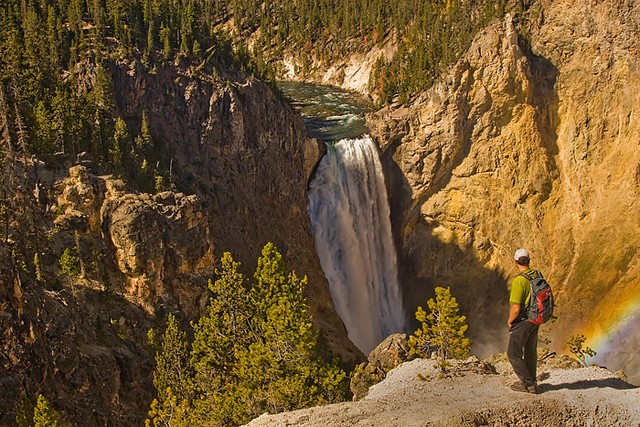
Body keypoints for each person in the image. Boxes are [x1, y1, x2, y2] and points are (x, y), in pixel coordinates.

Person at [507, 248, 540, 393]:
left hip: (524, 320)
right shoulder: (536, 274)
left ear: (515, 262)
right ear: (528, 260)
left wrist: (510, 321)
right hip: (536, 318)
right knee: (530, 350)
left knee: (513, 352)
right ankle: (532, 380)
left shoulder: (520, 280)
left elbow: (515, 308)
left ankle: (527, 384)